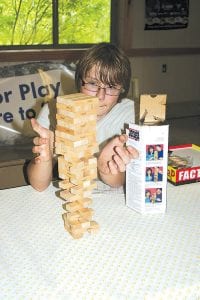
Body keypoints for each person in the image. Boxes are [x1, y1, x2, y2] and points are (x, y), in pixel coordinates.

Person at [27, 42, 138, 191]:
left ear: (122, 89)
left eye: (111, 86)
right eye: (92, 84)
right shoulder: (53, 111)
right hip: (72, 193)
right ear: (80, 82)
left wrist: (106, 169)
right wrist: (45, 160)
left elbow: (118, 183)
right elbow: (39, 185)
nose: (100, 96)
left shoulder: (130, 115)